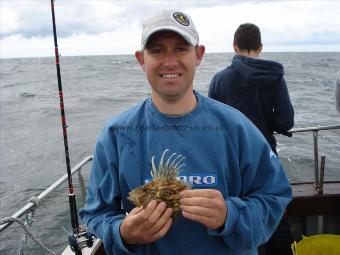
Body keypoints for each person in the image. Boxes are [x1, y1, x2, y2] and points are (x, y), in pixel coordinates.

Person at [79, 10, 292, 255]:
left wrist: (229, 216)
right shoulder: (115, 135)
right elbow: (96, 214)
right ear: (141, 59)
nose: (170, 61)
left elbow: (275, 196)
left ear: (198, 55)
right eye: (157, 50)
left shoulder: (238, 128)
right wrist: (122, 232)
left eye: (181, 48)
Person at [208, 23, 294, 255]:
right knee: (272, 215)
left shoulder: (219, 80)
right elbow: (286, 121)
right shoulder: (275, 78)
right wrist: (266, 124)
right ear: (260, 47)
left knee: (235, 220)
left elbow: (211, 127)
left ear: (234, 46)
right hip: (265, 158)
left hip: (229, 163)